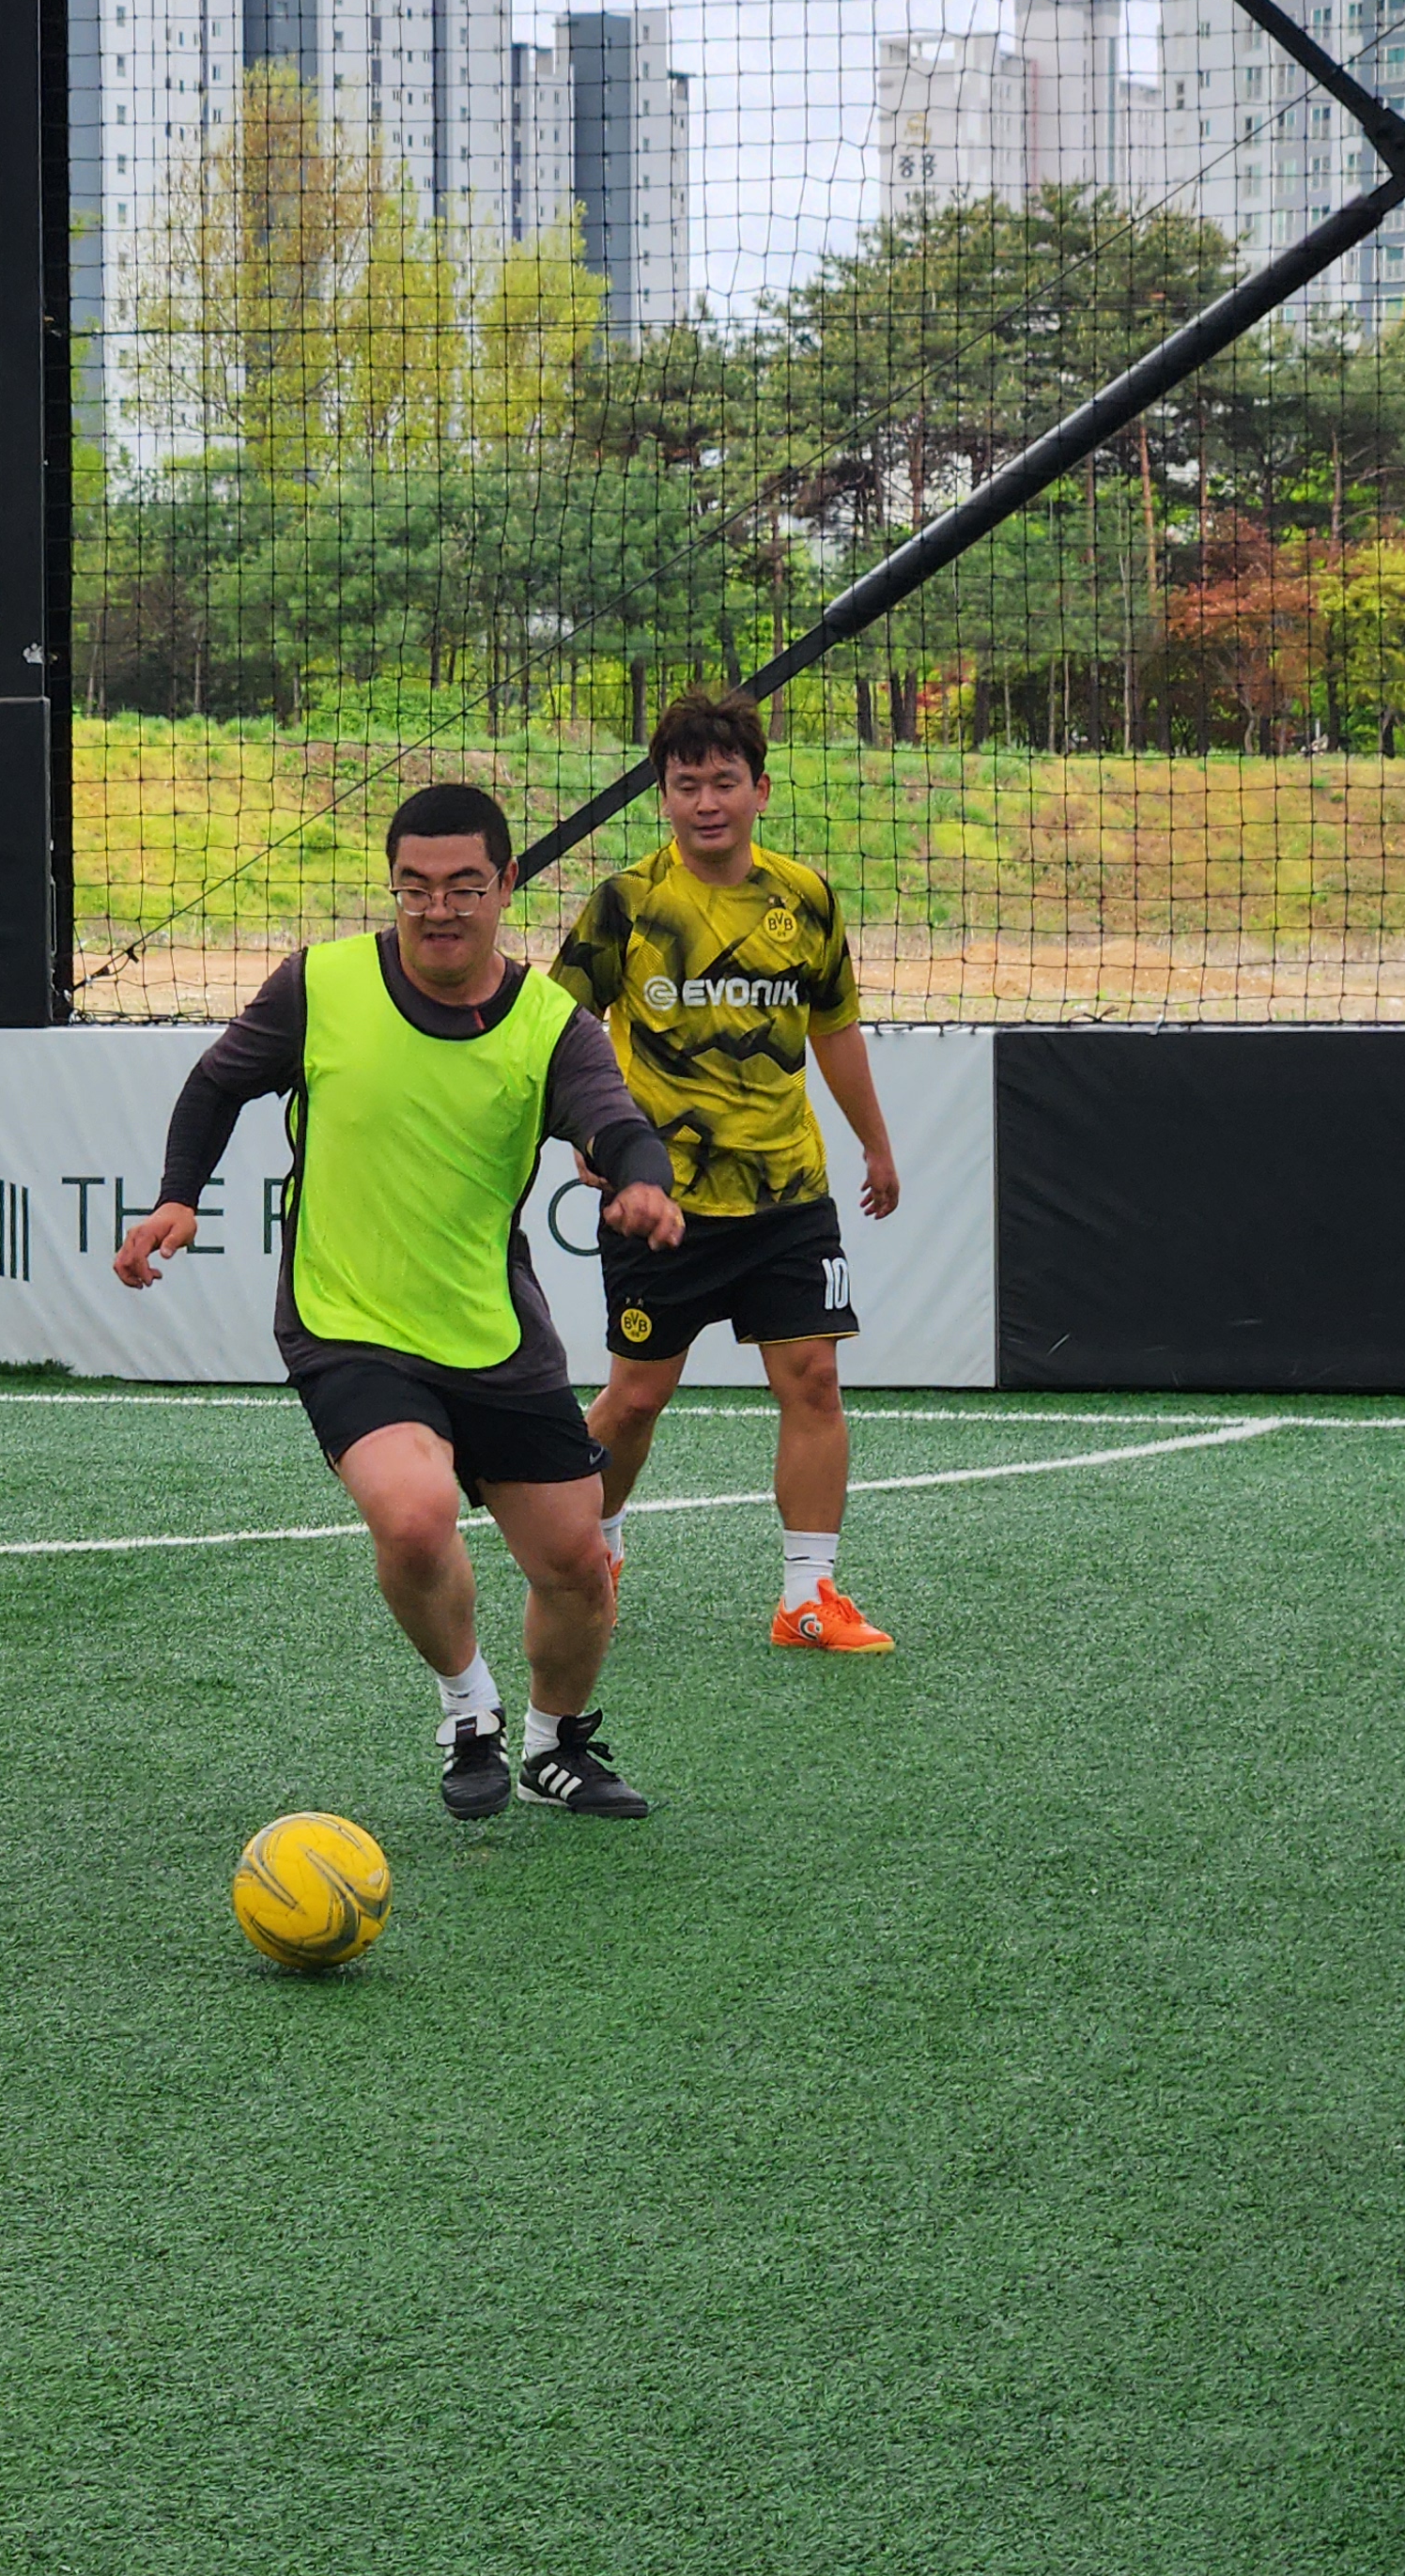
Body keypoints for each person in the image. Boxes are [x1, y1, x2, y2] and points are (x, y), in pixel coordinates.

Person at [116, 783, 684, 1822]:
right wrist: (177, 1197)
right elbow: (216, 1084)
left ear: (506, 885)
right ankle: (469, 1711)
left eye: (463, 887)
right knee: (416, 1518)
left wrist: (643, 1180)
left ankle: (555, 1745)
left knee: (578, 1564)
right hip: (347, 1323)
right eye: (414, 888)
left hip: (493, 1333)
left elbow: (615, 1122)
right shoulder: (320, 984)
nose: (438, 910)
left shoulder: (550, 1025)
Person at [551, 686, 902, 1654]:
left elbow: (834, 1028)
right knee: (635, 1399)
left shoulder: (806, 899)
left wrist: (875, 1144)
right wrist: (589, 1131)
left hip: (789, 1194)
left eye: (724, 782)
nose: (706, 802)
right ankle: (593, 1550)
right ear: (662, 796)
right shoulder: (625, 903)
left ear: (760, 790)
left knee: (814, 1380)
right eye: (686, 784)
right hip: (659, 1202)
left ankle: (807, 1596)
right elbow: (560, 1028)